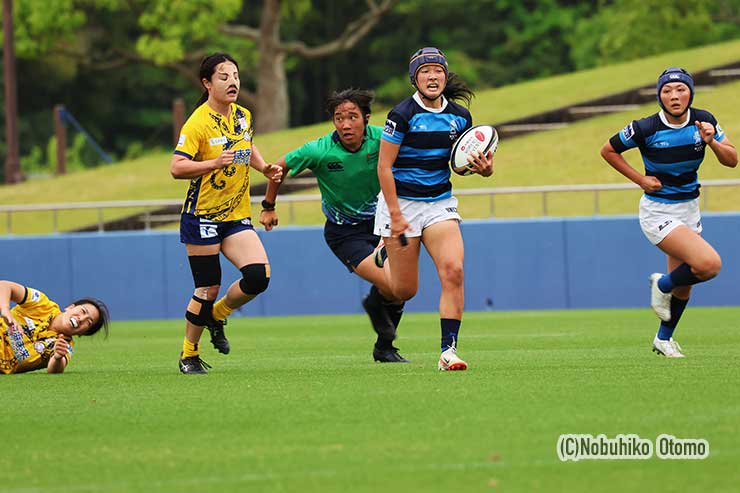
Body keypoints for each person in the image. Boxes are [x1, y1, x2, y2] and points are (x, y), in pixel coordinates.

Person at [259, 89, 408, 363]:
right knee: (392, 284)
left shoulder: (382, 139)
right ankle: (376, 310)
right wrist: (269, 206)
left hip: (381, 226)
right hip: (344, 232)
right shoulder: (319, 150)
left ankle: (385, 347)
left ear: (366, 118)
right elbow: (278, 169)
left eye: (352, 117)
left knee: (400, 286)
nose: (346, 124)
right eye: (339, 118)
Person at [600, 67, 737, 358]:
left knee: (684, 284)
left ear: (690, 92)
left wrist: (711, 140)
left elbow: (732, 160)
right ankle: (660, 283)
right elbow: (608, 150)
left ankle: (664, 339)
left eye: (680, 89)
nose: (674, 96)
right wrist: (640, 179)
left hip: (689, 208)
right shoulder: (645, 127)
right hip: (658, 210)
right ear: (660, 96)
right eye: (667, 91)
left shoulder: (705, 121)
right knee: (709, 264)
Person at [375, 47, 494, 371]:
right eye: (425, 71)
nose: (432, 76)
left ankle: (448, 352)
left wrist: (481, 169)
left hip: (439, 204)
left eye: (437, 70)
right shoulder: (401, 115)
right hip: (402, 205)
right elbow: (384, 168)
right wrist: (396, 215)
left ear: (445, 75)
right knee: (404, 290)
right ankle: (381, 252)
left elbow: (457, 165)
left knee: (453, 270)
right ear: (415, 78)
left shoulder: (460, 116)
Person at [171, 52, 283, 374]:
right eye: (224, 76)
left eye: (235, 75)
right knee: (207, 287)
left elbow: (246, 146)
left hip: (235, 215)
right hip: (201, 216)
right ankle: (188, 354)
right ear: (207, 83)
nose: (232, 81)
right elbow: (176, 167)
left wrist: (264, 167)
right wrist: (214, 163)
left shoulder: (243, 115)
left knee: (258, 277)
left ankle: (217, 317)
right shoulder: (197, 122)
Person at [0, 280, 110, 374]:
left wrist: (57, 357)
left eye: (88, 322)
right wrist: (5, 310)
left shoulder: (65, 345)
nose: (81, 319)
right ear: (70, 307)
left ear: (82, 333)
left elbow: (55, 369)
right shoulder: (41, 303)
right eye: (83, 311)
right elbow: (4, 285)